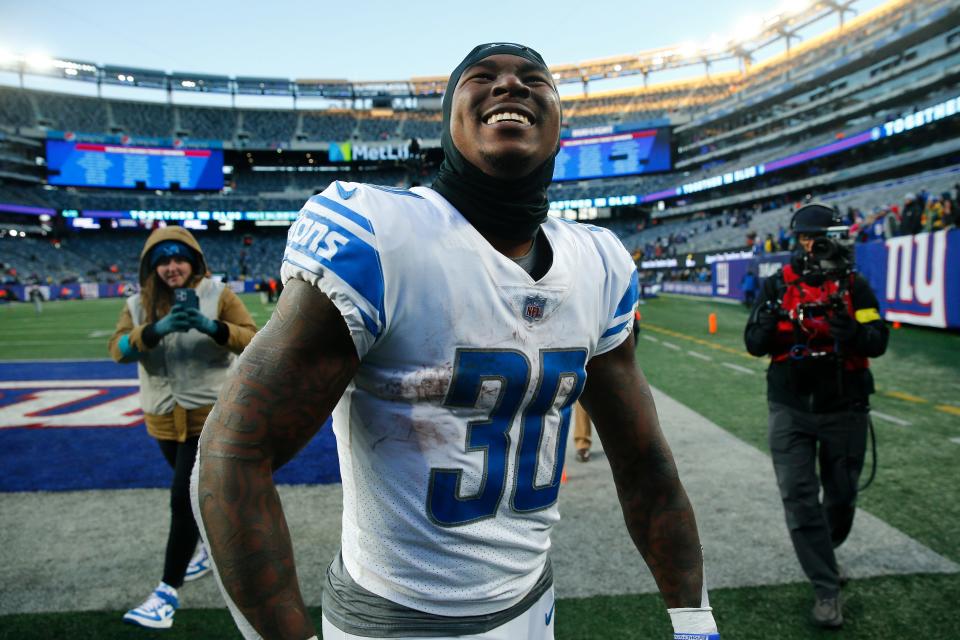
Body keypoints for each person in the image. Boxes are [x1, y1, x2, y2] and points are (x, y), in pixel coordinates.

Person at [193, 43, 719, 640]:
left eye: (532, 79)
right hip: (395, 617)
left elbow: (643, 459)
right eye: (482, 77)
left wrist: (694, 618)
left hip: (533, 604)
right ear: (449, 117)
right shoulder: (381, 237)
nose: (510, 86)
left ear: (559, 123)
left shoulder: (598, 263)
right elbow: (232, 452)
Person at [743, 203, 888, 629]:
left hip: (844, 405)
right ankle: (826, 587)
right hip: (789, 405)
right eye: (806, 237)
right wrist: (768, 323)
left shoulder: (854, 286)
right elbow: (753, 342)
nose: (812, 244)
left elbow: (877, 338)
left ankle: (824, 549)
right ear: (796, 240)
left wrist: (855, 333)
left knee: (842, 496)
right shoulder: (776, 285)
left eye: (819, 236)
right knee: (799, 496)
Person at [108, 226, 257, 630]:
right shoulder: (138, 303)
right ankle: (208, 549)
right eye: (163, 261)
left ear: (193, 261)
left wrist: (213, 329)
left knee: (183, 499)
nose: (172, 268)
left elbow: (253, 340)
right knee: (192, 498)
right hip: (162, 419)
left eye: (179, 259)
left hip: (209, 417)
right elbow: (117, 350)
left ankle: (165, 594)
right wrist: (155, 330)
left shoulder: (217, 293)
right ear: (151, 267)